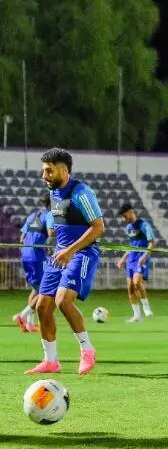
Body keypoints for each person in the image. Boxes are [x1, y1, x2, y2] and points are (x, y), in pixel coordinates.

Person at [25, 148, 104, 376]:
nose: (44, 176)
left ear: (64, 169)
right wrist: (62, 250)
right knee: (42, 306)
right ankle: (51, 361)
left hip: (82, 254)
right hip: (60, 255)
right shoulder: (54, 194)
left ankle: (87, 350)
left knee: (62, 300)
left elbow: (98, 228)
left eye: (48, 171)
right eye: (43, 171)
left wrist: (70, 250)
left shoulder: (81, 192)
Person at [12, 195, 52, 333]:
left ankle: (29, 324)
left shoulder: (34, 215)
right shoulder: (50, 216)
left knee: (36, 288)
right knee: (45, 289)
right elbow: (51, 233)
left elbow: (22, 236)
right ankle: (21, 316)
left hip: (25, 254)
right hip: (37, 256)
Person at [117, 203, 156, 323]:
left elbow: (152, 242)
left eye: (124, 216)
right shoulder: (128, 228)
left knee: (137, 282)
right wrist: (123, 259)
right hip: (131, 260)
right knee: (130, 288)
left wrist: (145, 256)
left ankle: (146, 307)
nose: (123, 219)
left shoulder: (143, 224)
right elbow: (132, 245)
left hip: (141, 258)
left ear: (130, 212)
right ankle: (137, 315)